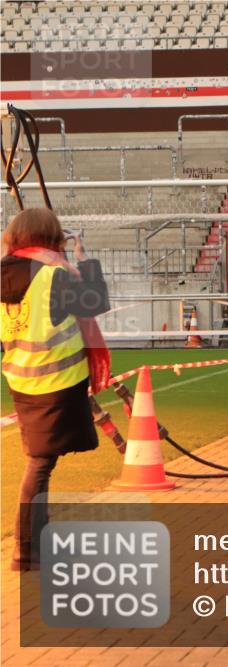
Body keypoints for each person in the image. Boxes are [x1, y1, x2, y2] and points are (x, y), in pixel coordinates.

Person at [1, 208, 110, 571]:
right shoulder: (53, 273)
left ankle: (37, 542)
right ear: (51, 237)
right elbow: (95, 303)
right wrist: (84, 262)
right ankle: (26, 549)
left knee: (41, 461)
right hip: (58, 382)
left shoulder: (5, 271)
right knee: (40, 464)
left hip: (22, 380)